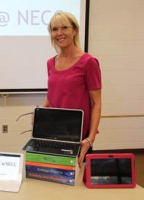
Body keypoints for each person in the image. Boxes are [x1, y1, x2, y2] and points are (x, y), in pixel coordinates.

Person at [43, 12, 102, 167]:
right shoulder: (51, 63)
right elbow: (51, 96)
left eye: (64, 28)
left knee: (77, 185)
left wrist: (90, 139)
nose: (59, 33)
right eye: (55, 29)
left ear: (74, 30)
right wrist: (40, 112)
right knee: (51, 181)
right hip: (53, 133)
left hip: (78, 138)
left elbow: (96, 103)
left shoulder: (89, 62)